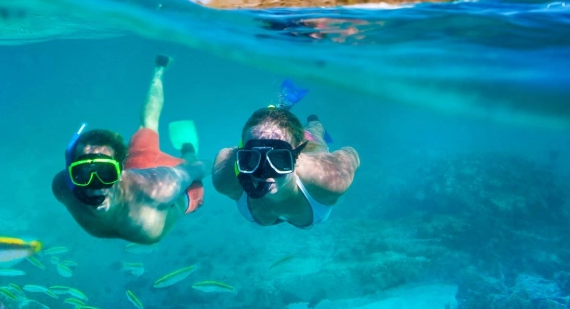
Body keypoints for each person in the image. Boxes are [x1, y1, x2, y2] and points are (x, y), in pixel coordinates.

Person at [52, 56, 207, 244]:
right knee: (146, 127)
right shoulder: (62, 187)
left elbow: (199, 168)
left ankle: (187, 147)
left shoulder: (157, 189)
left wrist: (195, 160)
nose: (96, 185)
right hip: (139, 167)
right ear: (70, 173)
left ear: (119, 170)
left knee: (161, 138)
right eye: (83, 174)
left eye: (105, 173)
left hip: (173, 190)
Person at [212, 83, 359, 228]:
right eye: (252, 158)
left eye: (278, 158)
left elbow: (351, 153)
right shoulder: (226, 179)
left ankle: (313, 121)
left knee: (314, 131)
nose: (264, 173)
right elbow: (229, 153)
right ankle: (280, 108)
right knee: (263, 143)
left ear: (298, 158)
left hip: (310, 148)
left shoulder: (329, 180)